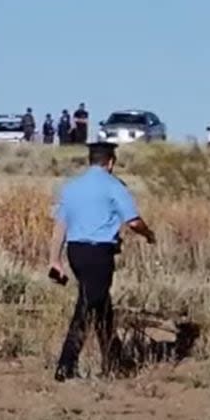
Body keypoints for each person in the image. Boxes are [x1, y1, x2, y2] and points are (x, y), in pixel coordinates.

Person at [48, 142, 156, 382]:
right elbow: (134, 222)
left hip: (75, 252)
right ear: (110, 162)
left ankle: (114, 361)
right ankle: (66, 365)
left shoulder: (72, 187)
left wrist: (54, 260)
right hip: (99, 253)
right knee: (87, 307)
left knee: (102, 306)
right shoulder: (113, 186)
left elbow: (60, 226)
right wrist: (149, 235)